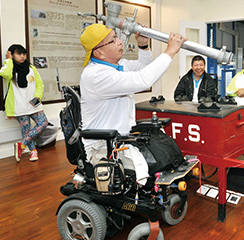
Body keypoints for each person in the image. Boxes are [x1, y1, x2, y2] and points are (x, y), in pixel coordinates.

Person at [79, 23, 186, 184]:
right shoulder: (96, 75)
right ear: (99, 52)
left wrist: (143, 46)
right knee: (152, 165)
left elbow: (145, 67)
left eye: (116, 37)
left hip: (122, 138)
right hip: (102, 146)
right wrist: (170, 51)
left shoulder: (118, 66)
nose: (120, 42)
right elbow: (143, 79)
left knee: (167, 152)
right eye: (113, 40)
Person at [0, 44, 49, 162]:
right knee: (26, 129)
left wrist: (37, 97)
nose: (22, 56)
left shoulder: (32, 68)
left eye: (23, 54)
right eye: (18, 54)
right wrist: (9, 60)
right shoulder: (10, 68)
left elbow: (39, 84)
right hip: (19, 104)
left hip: (33, 103)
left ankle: (21, 145)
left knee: (43, 122)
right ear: (12, 54)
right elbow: (4, 74)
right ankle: (33, 151)